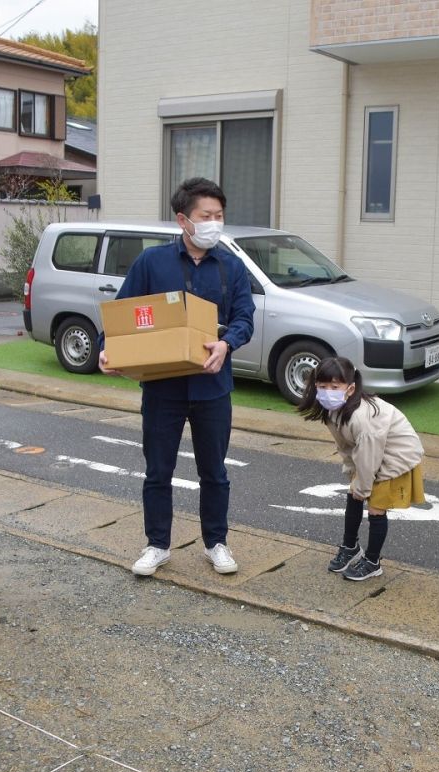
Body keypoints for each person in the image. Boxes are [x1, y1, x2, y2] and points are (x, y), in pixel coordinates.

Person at [100, 177, 255, 578]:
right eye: (206, 216)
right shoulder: (152, 263)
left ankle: (216, 543)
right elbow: (123, 313)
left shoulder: (232, 267)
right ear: (183, 219)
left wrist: (227, 344)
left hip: (212, 387)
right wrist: (108, 349)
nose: (214, 223)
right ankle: (157, 545)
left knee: (214, 471)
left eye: (219, 216)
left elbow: (244, 319)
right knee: (158, 470)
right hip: (163, 387)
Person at [297, 357, 425, 581]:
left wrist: (364, 487)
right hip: (373, 452)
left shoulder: (362, 418)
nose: (328, 392)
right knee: (353, 492)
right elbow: (345, 446)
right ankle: (350, 547)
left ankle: (373, 562)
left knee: (375, 506)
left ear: (350, 388)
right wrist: (352, 474)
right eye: (322, 386)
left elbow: (369, 456)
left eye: (334, 387)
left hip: (396, 456)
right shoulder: (332, 409)